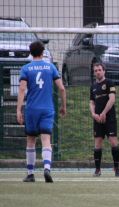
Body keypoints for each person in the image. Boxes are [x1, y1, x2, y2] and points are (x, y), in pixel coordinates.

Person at [17, 40, 67, 183]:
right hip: (47, 109)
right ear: (43, 52)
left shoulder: (26, 68)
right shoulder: (50, 67)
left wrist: (19, 109)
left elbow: (21, 89)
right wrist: (63, 106)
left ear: (30, 52)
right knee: (46, 140)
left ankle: (31, 173)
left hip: (32, 109)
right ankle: (46, 168)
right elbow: (62, 88)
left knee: (31, 141)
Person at [89, 63, 119, 177]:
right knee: (97, 143)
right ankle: (97, 170)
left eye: (99, 70)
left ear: (104, 71)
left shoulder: (109, 83)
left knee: (113, 141)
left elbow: (112, 99)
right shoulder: (93, 87)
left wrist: (104, 113)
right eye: (95, 70)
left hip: (109, 118)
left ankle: (117, 169)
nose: (97, 72)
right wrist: (93, 114)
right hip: (97, 119)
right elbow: (92, 102)